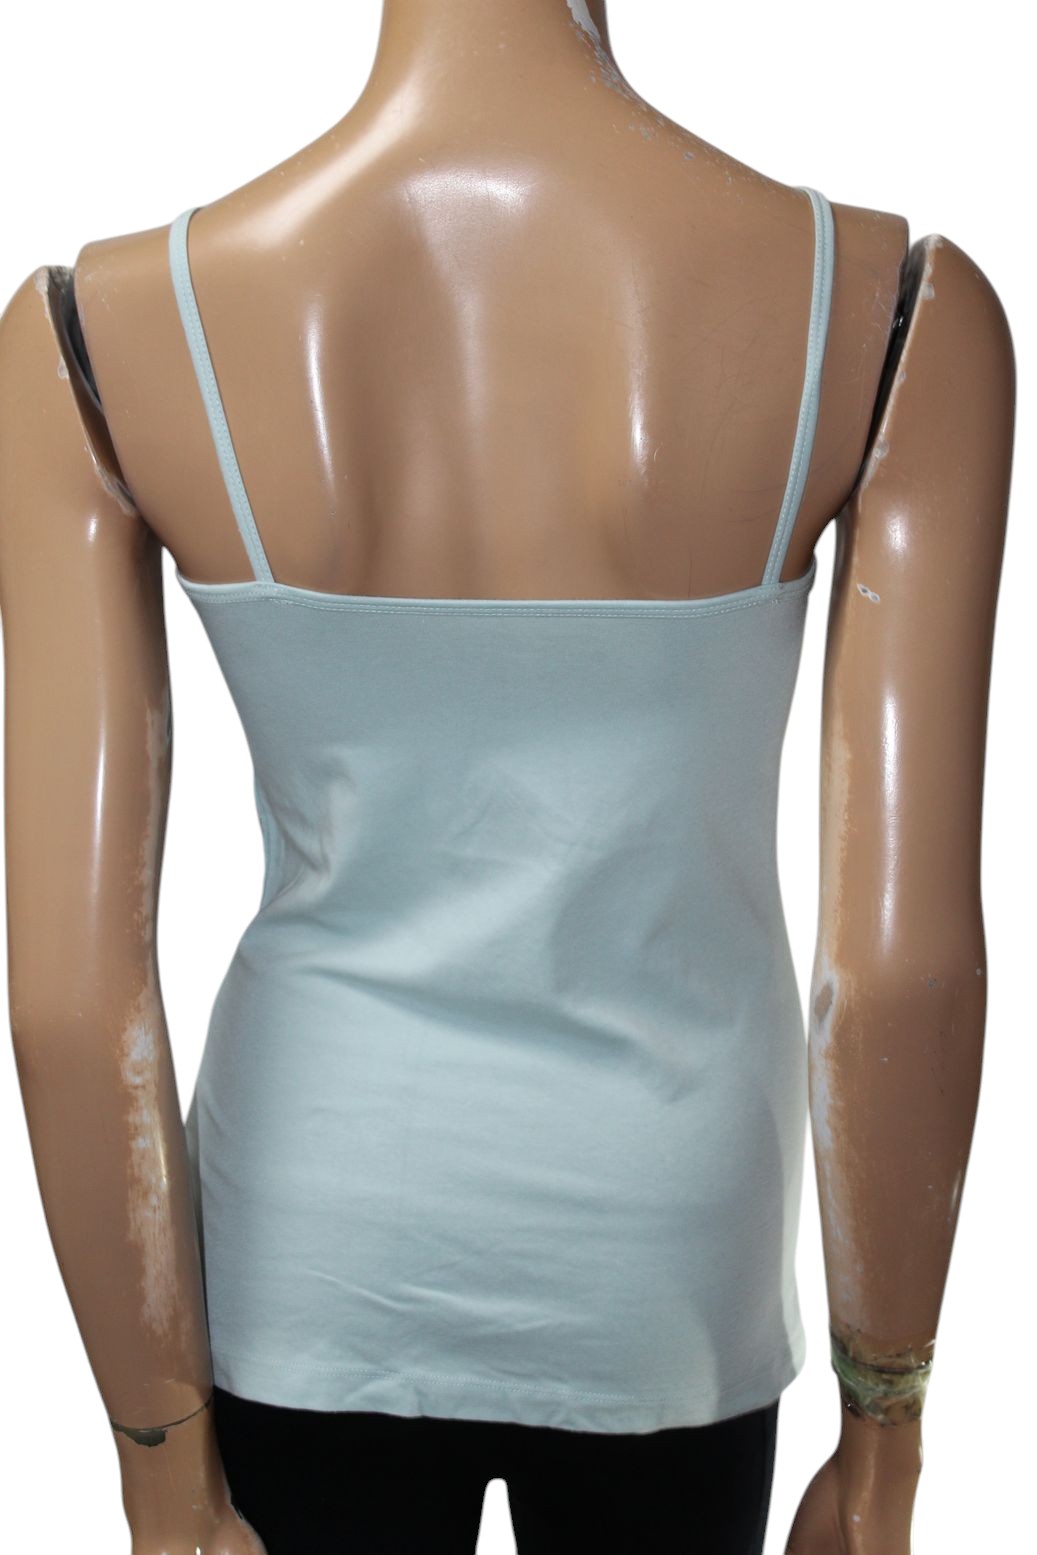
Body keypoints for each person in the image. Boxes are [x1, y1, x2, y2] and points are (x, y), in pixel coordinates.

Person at [0, 2, 1013, 1552]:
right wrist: (885, 1433)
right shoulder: (887, 316)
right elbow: (895, 971)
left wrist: (157, 1460)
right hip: (663, 1259)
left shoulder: (97, 336)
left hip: (309, 1245)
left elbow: (75, 999)